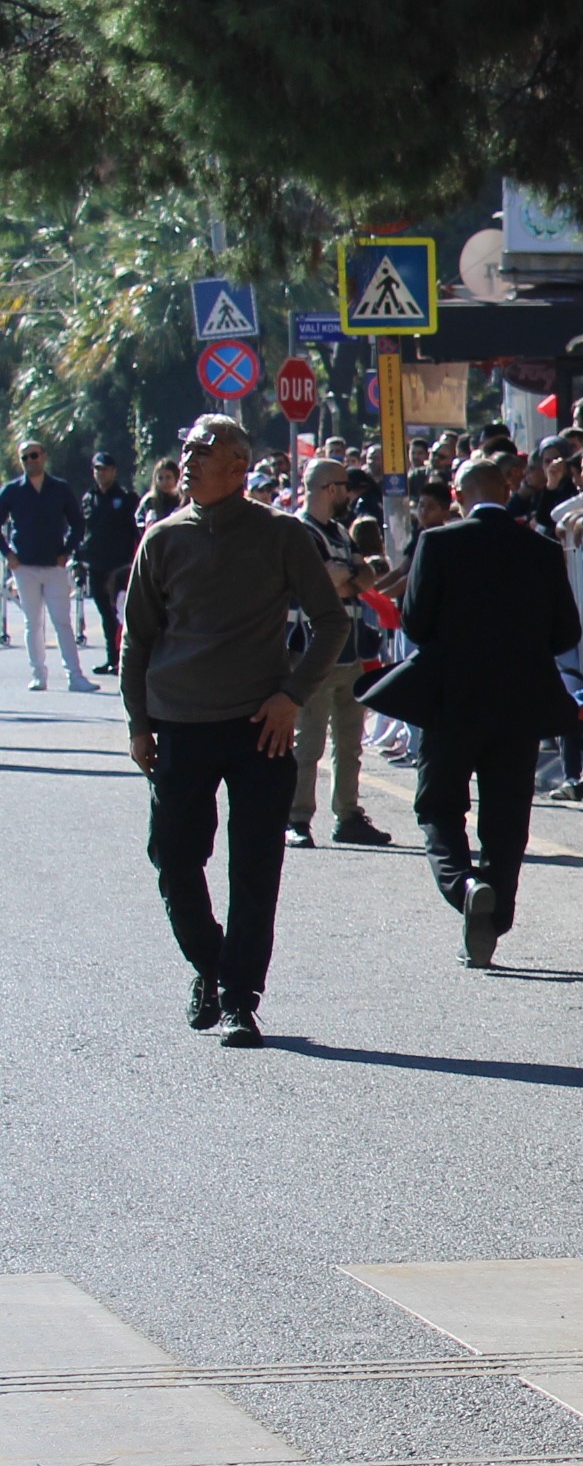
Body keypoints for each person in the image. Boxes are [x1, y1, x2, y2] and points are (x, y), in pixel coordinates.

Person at [119, 418, 347, 1043]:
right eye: (186, 449)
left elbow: (331, 623)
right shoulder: (163, 538)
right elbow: (137, 640)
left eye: (203, 451)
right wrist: (139, 723)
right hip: (180, 723)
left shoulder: (281, 534)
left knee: (254, 865)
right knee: (173, 855)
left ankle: (240, 997)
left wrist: (292, 697)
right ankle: (210, 963)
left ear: (238, 467)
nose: (188, 459)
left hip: (258, 726)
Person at [364, 452, 581, 971]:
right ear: (506, 491)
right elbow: (566, 633)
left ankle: (464, 886)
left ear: (459, 497)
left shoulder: (438, 543)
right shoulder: (541, 549)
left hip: (452, 699)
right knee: (507, 817)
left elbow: (415, 624)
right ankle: (494, 916)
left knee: (438, 806)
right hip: (519, 701)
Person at [279, 456, 388, 850]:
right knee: (308, 742)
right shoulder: (298, 531)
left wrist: (349, 577)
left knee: (349, 741)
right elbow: (322, 581)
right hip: (313, 652)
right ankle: (296, 818)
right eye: (343, 486)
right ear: (328, 489)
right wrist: (346, 576)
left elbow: (366, 575)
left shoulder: (340, 532)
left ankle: (348, 814)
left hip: (350, 651)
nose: (349, 493)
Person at [0, 441, 89, 691]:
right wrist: (8, 554)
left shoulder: (59, 488)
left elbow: (78, 523)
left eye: (34, 455)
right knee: (33, 622)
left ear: (43, 456)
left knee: (62, 621)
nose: (30, 461)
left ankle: (75, 676)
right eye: (25, 457)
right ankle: (38, 675)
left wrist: (67, 551)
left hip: (54, 565)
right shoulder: (12, 491)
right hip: (24, 566)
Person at [80, 454, 141, 672]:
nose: (101, 473)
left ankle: (126, 659)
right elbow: (84, 531)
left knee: (122, 614)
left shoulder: (126, 499)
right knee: (106, 614)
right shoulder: (89, 498)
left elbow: (135, 532)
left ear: (113, 471)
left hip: (119, 566)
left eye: (105, 469)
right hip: (96, 565)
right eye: (97, 469)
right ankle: (112, 658)